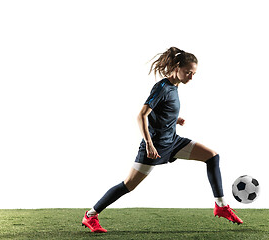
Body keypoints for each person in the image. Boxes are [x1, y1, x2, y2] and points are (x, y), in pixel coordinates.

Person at [82, 47, 243, 233]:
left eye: (194, 73)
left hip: (173, 142)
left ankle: (221, 206)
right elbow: (141, 116)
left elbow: (161, 111)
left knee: (212, 156)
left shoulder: (175, 86)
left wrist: (175, 119)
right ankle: (91, 215)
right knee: (128, 185)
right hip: (155, 147)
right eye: (188, 72)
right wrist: (149, 144)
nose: (191, 76)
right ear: (177, 67)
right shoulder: (162, 87)